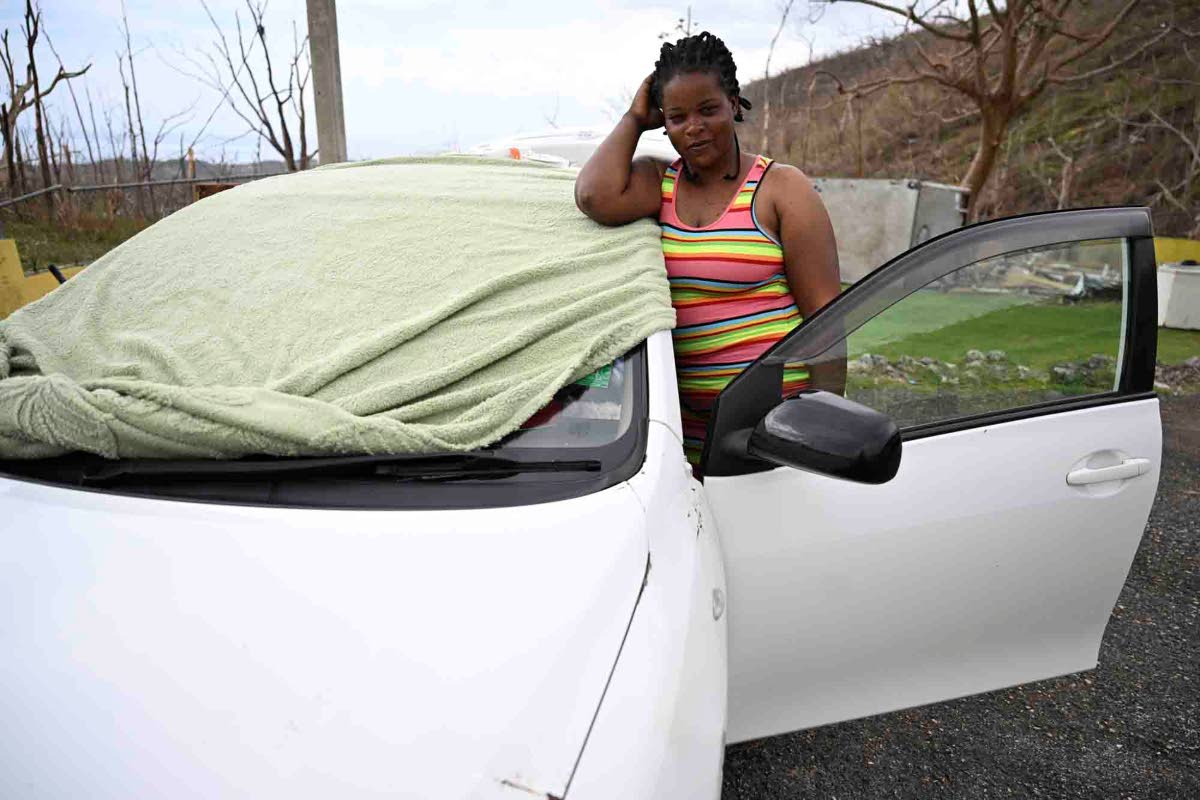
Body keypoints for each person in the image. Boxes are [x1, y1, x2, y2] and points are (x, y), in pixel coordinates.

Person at [575, 31, 844, 470]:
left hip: (779, 432)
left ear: (734, 104)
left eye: (707, 110)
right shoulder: (659, 184)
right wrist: (632, 118)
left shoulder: (781, 189)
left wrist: (826, 436)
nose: (694, 128)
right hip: (685, 439)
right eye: (677, 117)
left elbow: (827, 321)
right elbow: (593, 196)